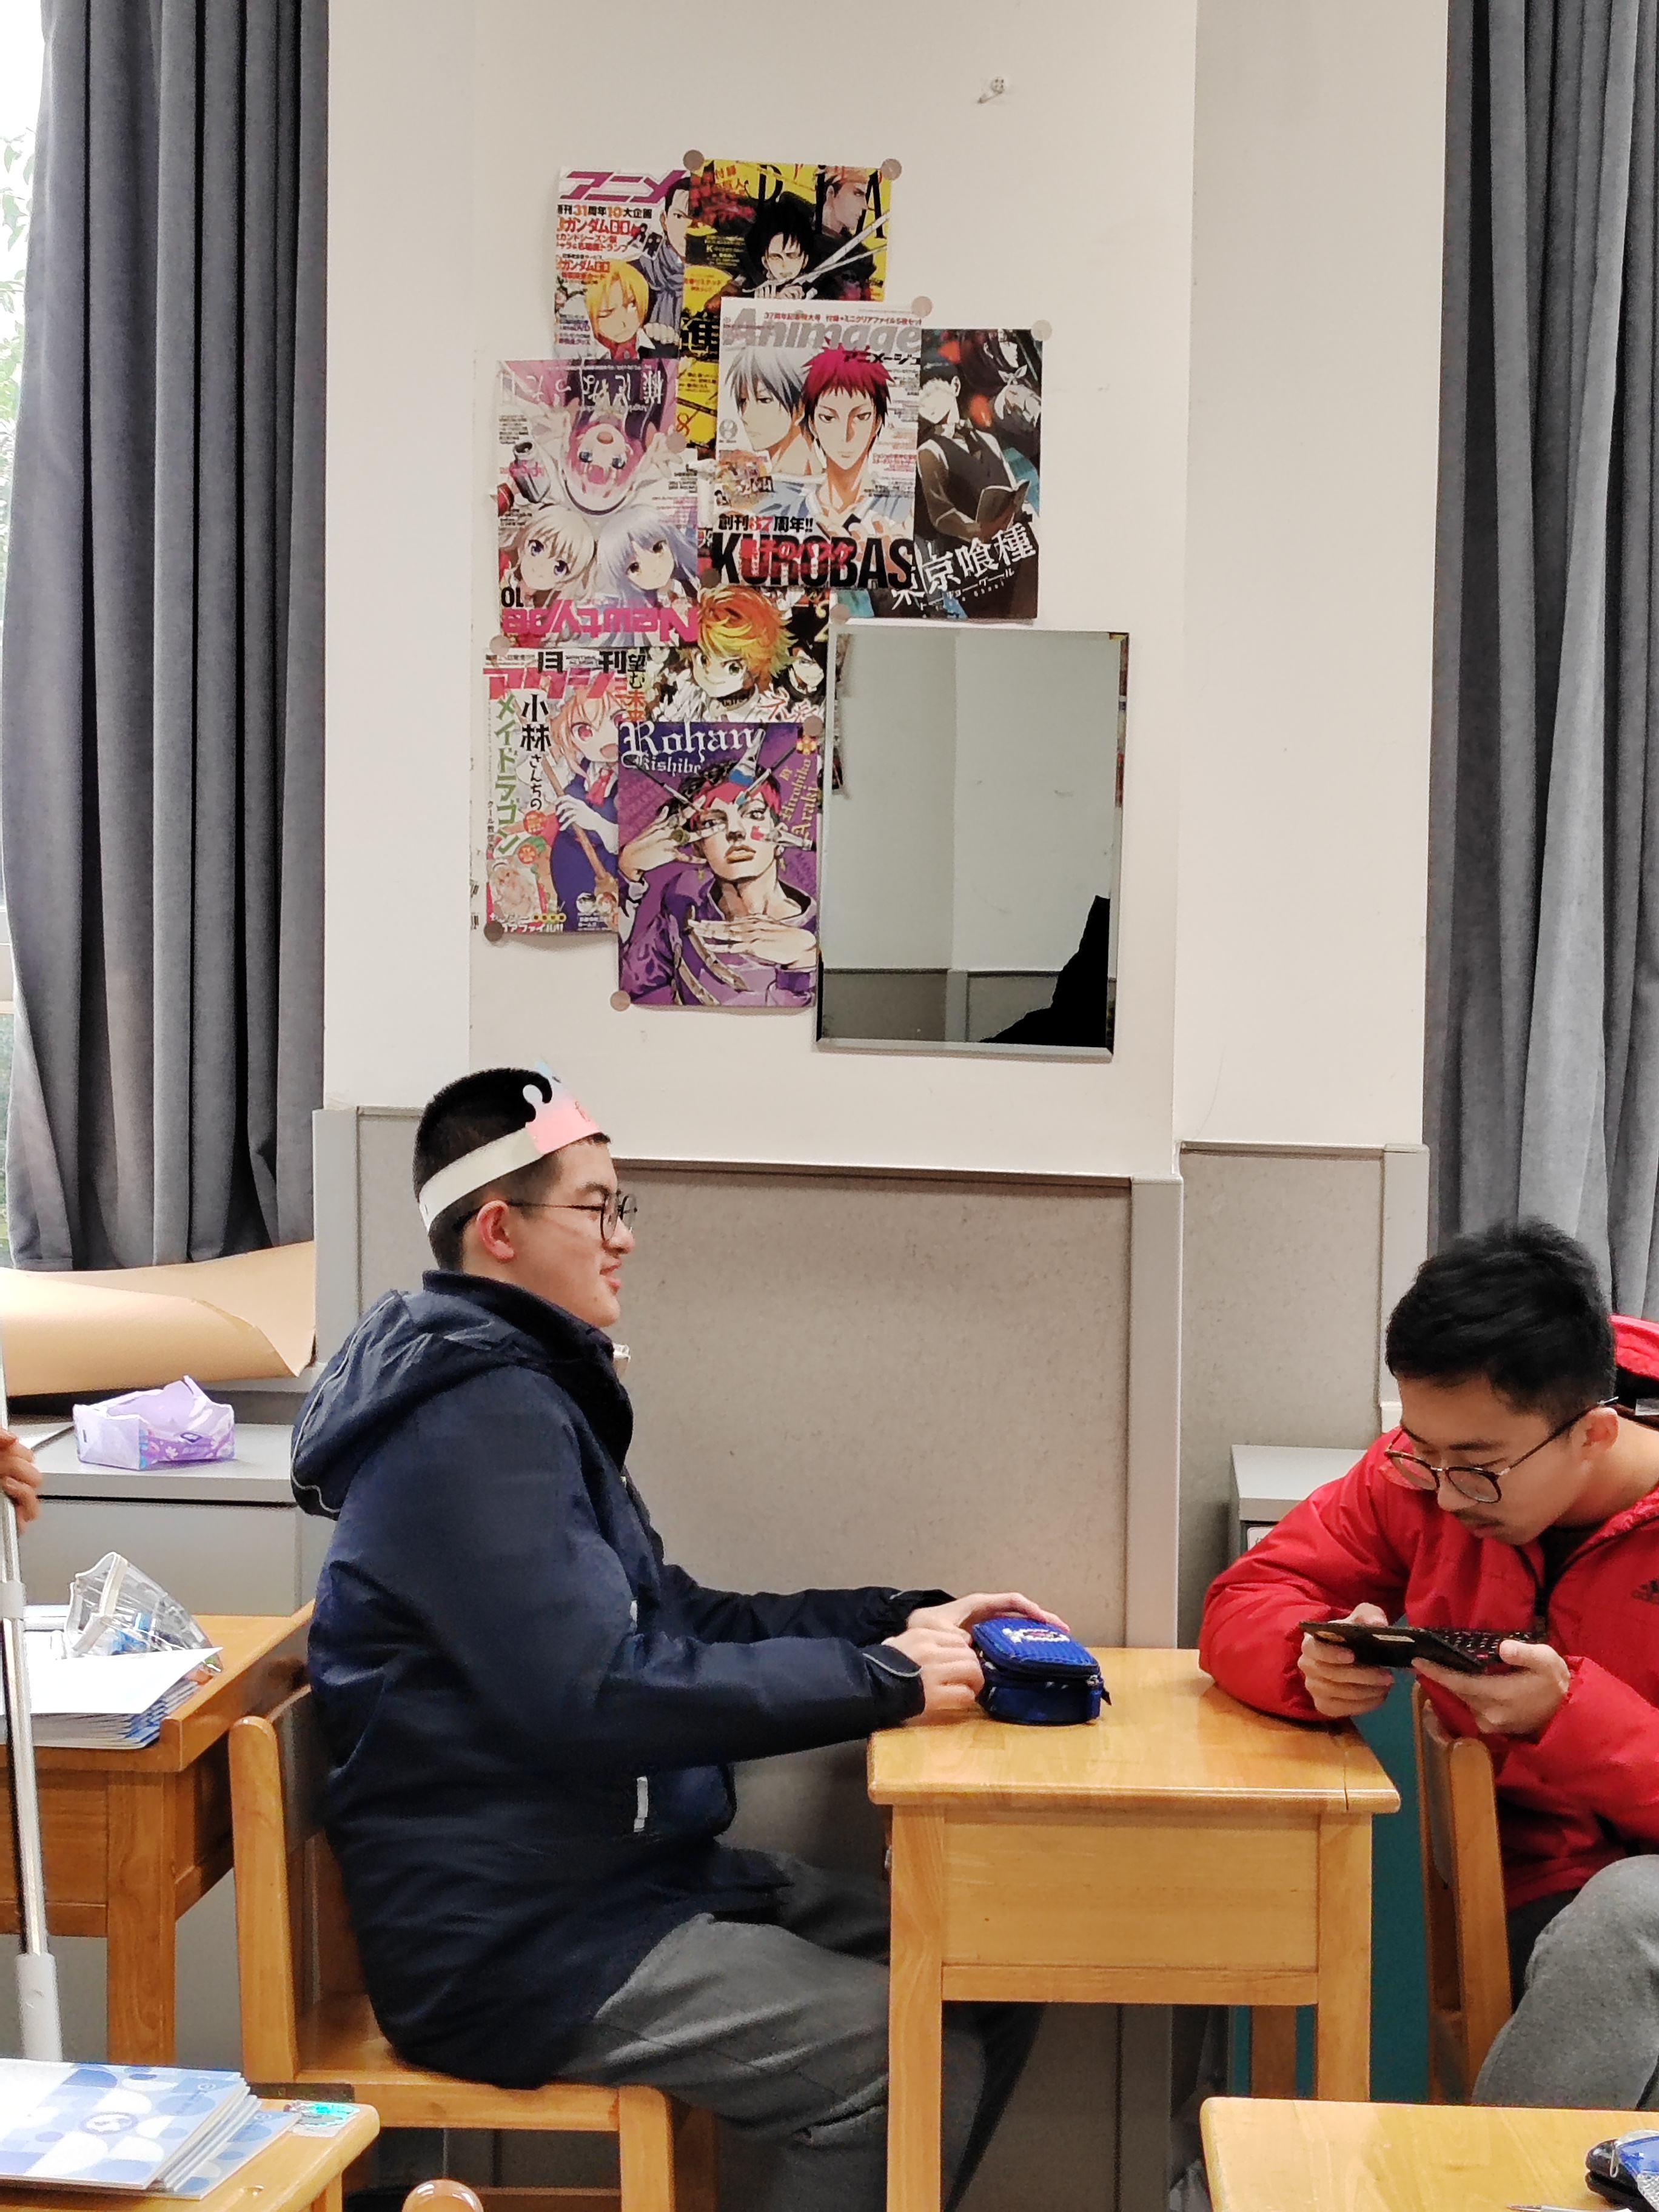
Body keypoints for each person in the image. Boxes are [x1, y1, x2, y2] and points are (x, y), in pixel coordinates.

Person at [295, 1065, 1048, 2210]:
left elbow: (674, 1618)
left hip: (620, 1883)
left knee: (996, 1951)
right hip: (521, 1940)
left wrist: (894, 1620)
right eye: (598, 1207)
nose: (625, 1238)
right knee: (901, 2062)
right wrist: (880, 1682)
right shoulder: (472, 1423)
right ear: (500, 1229)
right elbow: (596, 1695)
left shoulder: (522, 1394)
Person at [1200, 1218, 1659, 2108]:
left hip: (1622, 1906)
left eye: (1477, 1466)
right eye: (1422, 1447)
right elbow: (1249, 1597)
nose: (1445, 1494)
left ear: (1594, 1434)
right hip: (1534, 1892)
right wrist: (1309, 1658)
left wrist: (1569, 1720)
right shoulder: (1427, 1472)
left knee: (1629, 1917)